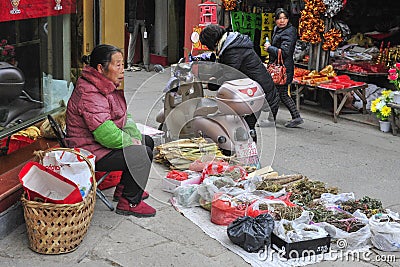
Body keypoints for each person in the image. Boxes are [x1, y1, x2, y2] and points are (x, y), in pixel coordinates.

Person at [65, 44, 156, 217]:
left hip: (98, 145)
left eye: (123, 65)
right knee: (141, 154)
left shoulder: (105, 85)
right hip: (89, 151)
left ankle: (124, 189)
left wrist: (134, 137)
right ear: (101, 68)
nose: (123, 70)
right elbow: (105, 134)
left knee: (147, 141)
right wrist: (130, 142)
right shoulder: (90, 93)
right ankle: (129, 202)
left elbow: (123, 116)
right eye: (118, 65)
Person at [199, 24, 280, 138]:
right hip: (253, 89)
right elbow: (225, 67)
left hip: (257, 90)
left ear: (213, 41)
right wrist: (215, 77)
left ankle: (245, 147)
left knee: (246, 126)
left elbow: (230, 73)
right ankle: (245, 142)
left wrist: (213, 84)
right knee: (245, 125)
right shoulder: (230, 44)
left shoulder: (233, 49)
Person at [264, 8, 304, 128]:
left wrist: (269, 48)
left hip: (283, 69)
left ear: (288, 19)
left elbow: (285, 52)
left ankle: (272, 120)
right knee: (280, 94)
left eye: (284, 18)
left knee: (278, 94)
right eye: (279, 18)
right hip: (278, 67)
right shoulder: (278, 29)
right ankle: (295, 117)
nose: (282, 21)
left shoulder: (290, 31)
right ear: (275, 20)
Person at [125, 0, 155, 72]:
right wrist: (126, 21)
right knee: (132, 41)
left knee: (145, 42)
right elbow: (127, 7)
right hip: (134, 20)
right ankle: (130, 63)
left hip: (145, 21)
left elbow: (152, 9)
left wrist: (151, 22)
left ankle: (146, 64)